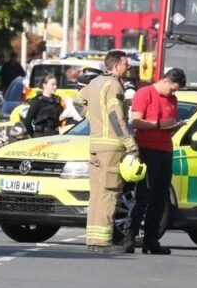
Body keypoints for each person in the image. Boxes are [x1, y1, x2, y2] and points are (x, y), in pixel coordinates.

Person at [76, 50, 137, 253]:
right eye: (125, 63)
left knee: (96, 194)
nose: (128, 67)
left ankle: (93, 241)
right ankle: (103, 243)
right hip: (111, 147)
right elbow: (115, 116)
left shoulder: (94, 83)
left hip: (95, 146)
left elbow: (77, 101)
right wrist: (130, 143)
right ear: (116, 65)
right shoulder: (114, 85)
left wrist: (91, 117)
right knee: (109, 194)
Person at [126, 68, 187, 255]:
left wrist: (175, 127)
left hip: (165, 149)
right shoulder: (145, 93)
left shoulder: (172, 99)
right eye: (173, 89)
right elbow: (135, 122)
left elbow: (168, 125)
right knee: (142, 195)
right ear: (166, 81)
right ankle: (129, 238)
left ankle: (151, 240)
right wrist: (159, 125)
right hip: (147, 149)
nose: (173, 93)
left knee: (160, 198)